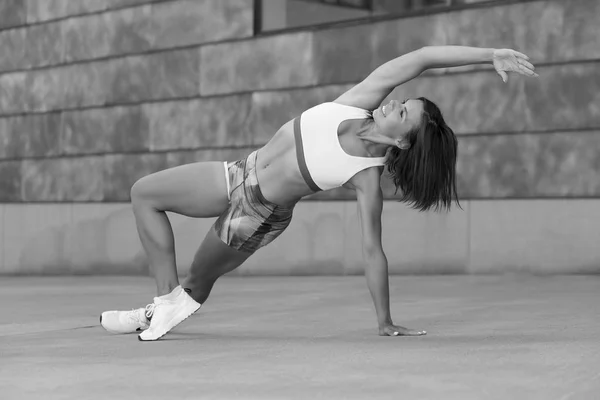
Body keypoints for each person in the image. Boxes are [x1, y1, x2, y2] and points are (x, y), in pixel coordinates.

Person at [100, 46, 538, 341]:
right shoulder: (358, 100)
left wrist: (384, 321)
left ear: (404, 142)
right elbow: (421, 58)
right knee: (145, 194)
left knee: (196, 285)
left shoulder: (366, 175)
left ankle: (165, 308)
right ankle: (160, 305)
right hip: (238, 173)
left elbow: (372, 250)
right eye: (402, 100)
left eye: (403, 112)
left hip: (258, 214)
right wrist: (489, 55)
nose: (394, 103)